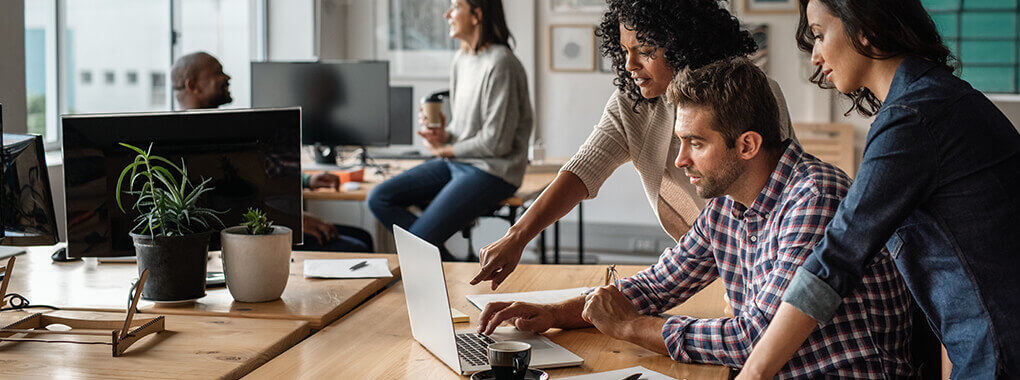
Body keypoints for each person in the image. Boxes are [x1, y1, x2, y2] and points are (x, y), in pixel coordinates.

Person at [477, 57, 915, 378]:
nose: (680, 160)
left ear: (746, 145)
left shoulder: (813, 198)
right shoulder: (727, 204)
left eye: (695, 144)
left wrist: (632, 327)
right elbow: (656, 284)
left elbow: (753, 338)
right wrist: (554, 313)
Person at [736, 0, 1020, 378]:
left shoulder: (912, 119)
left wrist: (752, 374)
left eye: (820, 35)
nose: (816, 57)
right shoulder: (939, 97)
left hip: (999, 349)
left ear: (864, 26)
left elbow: (835, 258)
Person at [471, 0, 797, 288]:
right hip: (698, 260)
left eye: (644, 50)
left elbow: (778, 196)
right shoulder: (632, 103)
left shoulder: (750, 95)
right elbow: (583, 169)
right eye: (625, 51)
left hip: (764, 257)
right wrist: (517, 237)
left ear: (683, 43)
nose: (630, 65)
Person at [367, 0, 532, 261]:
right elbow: (464, 129)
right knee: (379, 197)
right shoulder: (462, 59)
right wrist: (444, 134)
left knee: (419, 242)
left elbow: (496, 143)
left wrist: (445, 148)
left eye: (455, 7)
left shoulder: (502, 64)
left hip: (493, 172)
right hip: (458, 162)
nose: (447, 14)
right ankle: (450, 268)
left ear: (477, 15)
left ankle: (440, 269)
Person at [171, 52, 373, 252]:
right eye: (217, 73)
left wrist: (306, 182)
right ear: (192, 86)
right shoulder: (192, 143)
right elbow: (231, 208)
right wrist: (294, 223)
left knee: (362, 236)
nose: (227, 78)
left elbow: (256, 181)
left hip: (264, 223)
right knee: (358, 246)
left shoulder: (218, 130)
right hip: (248, 238)